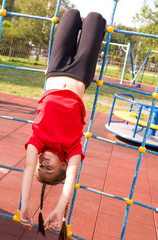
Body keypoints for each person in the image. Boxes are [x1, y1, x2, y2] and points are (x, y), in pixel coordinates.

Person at [20, 9, 106, 239]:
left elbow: (28, 168)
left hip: (55, 70)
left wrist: (25, 204)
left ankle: (74, 20)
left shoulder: (37, 142)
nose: (43, 163)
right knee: (96, 19)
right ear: (63, 166)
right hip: (80, 74)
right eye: (49, 168)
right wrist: (59, 209)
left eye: (42, 167)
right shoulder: (72, 150)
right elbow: (71, 182)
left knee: (71, 14)